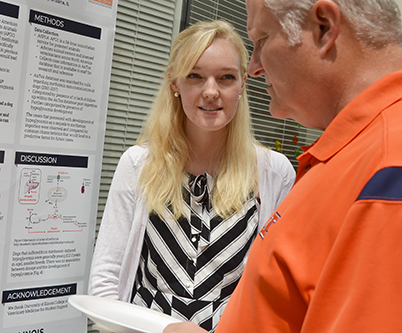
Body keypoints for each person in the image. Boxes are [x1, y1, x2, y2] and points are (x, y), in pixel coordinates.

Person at [164, 0, 402, 332]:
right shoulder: (351, 153)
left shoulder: (389, 170)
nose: (255, 66)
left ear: (323, 27)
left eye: (261, 38)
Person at [88, 20, 295, 332]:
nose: (210, 91)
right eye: (195, 76)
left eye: (226, 78)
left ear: (241, 85)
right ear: (175, 83)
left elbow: (275, 290)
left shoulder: (274, 172)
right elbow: (105, 280)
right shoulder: (138, 164)